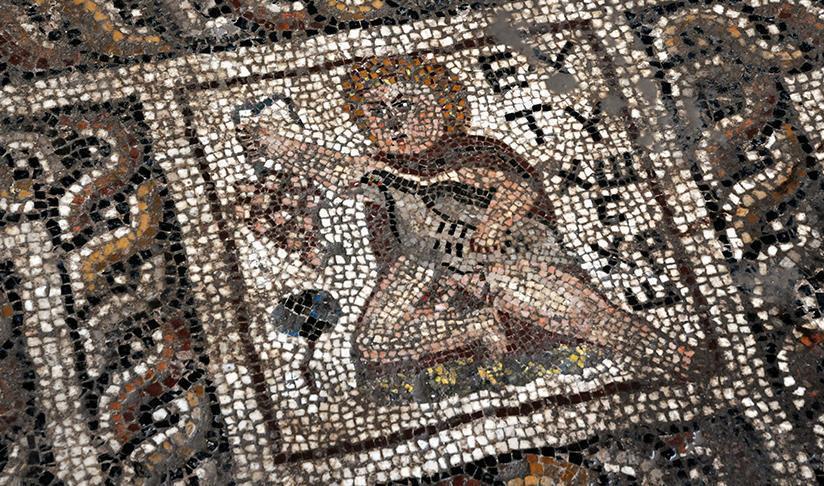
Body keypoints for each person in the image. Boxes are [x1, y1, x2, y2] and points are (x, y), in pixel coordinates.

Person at [239, 56, 688, 372]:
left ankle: (673, 355)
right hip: (424, 258)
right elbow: (331, 165)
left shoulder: (471, 155)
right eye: (376, 112)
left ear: (440, 105)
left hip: (494, 256)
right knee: (373, 341)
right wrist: (268, 141)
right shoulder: (382, 172)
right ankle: (474, 326)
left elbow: (517, 190)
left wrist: (491, 230)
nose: (392, 122)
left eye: (403, 106)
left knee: (575, 312)